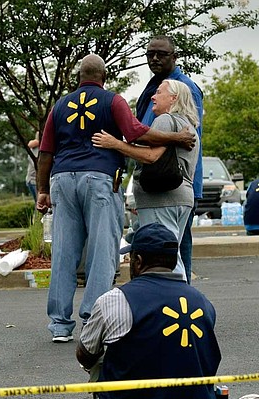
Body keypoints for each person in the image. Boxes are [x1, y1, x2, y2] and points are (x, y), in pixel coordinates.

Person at [36, 54, 195, 342]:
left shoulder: (59, 105)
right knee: (102, 252)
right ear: (104, 77)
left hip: (61, 179)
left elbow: (46, 151)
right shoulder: (113, 101)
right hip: (99, 179)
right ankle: (93, 319)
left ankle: (59, 324)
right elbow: (135, 132)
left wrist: (42, 190)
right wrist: (175, 138)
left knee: (63, 252)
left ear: (79, 78)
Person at [76, 222, 259, 399]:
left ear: (137, 261)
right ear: (174, 261)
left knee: (103, 354)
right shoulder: (202, 302)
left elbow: (85, 354)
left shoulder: (114, 300)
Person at [91, 79, 199, 281]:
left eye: (159, 92)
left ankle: (177, 303)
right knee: (171, 253)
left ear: (173, 98)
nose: (153, 96)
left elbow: (151, 156)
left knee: (163, 258)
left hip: (161, 199)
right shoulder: (189, 127)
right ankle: (179, 299)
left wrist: (115, 144)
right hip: (183, 197)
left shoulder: (166, 121)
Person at [136, 35, 204, 283]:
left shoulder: (182, 88)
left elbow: (190, 137)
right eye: (150, 53)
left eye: (161, 54)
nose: (154, 58)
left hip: (174, 183)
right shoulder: (155, 87)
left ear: (174, 57)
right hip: (158, 183)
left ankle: (182, 303)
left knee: (174, 250)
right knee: (166, 248)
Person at [26, 134, 40, 201]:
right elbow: (37, 166)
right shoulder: (35, 149)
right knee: (40, 203)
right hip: (33, 180)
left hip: (36, 180)